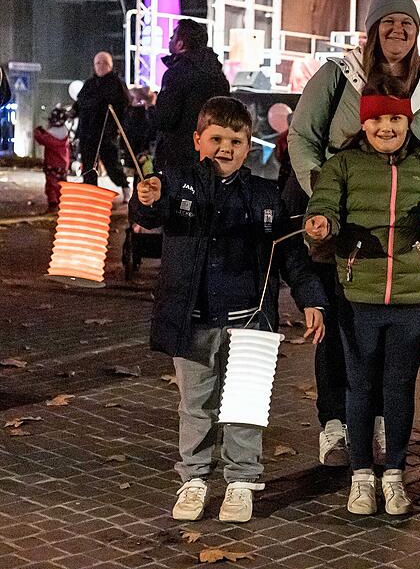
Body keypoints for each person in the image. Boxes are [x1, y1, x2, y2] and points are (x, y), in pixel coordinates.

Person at [130, 97, 326, 524]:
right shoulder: (178, 183)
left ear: (248, 146)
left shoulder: (265, 194)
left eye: (235, 141)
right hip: (193, 322)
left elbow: (290, 253)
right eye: (216, 138)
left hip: (249, 323)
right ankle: (194, 478)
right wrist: (146, 198)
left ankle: (242, 480)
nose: (225, 148)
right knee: (195, 405)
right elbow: (150, 210)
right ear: (198, 140)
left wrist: (311, 297)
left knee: (244, 405)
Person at [289, 0, 420, 467]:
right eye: (388, 22)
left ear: (417, 32)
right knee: (340, 326)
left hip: (401, 234)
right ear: (372, 29)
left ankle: (378, 419)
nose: (398, 30)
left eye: (407, 23)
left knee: (390, 334)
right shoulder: (340, 74)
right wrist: (325, 195)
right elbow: (302, 135)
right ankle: (335, 422)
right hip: (341, 224)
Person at [304, 86, 420, 516]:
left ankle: (395, 475)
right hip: (358, 294)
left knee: (400, 387)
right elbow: (324, 202)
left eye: (395, 119)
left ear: (408, 122)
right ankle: (362, 476)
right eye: (377, 119)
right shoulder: (343, 164)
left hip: (411, 294)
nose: (386, 127)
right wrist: (321, 223)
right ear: (363, 124)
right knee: (360, 386)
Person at [153, 19, 230, 172]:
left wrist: (150, 105)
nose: (170, 39)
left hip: (179, 158)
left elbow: (165, 119)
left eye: (173, 35)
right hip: (212, 155)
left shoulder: (177, 73)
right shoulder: (218, 75)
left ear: (180, 44)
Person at [73, 52, 131, 200]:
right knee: (88, 165)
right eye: (97, 63)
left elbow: (124, 105)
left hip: (106, 132)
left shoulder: (116, 83)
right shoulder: (89, 84)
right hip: (88, 132)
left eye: (104, 63)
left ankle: (124, 186)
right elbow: (79, 104)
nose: (100, 66)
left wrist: (118, 125)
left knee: (111, 163)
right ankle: (91, 193)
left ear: (110, 65)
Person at [33, 106, 71, 213]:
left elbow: (40, 138)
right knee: (62, 184)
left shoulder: (49, 136)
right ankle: (62, 203)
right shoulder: (65, 135)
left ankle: (53, 203)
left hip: (51, 164)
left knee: (51, 185)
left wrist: (38, 131)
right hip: (63, 165)